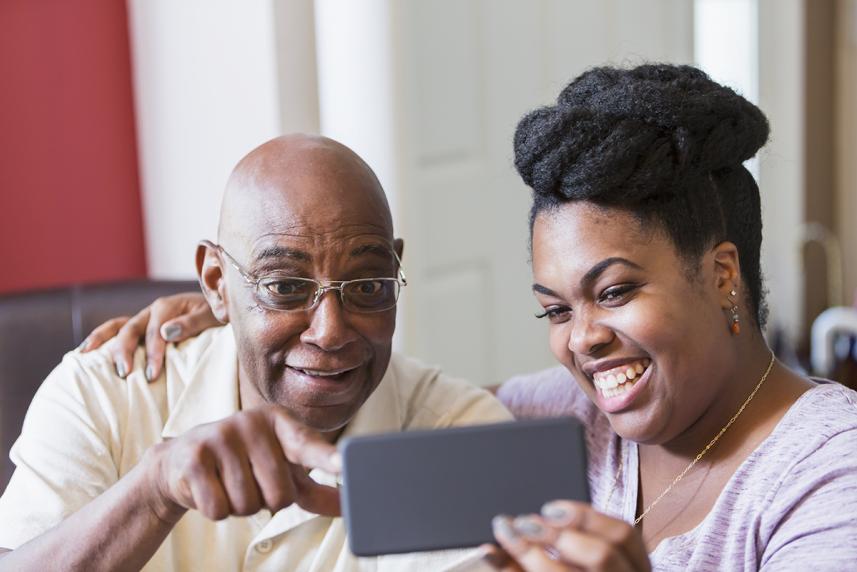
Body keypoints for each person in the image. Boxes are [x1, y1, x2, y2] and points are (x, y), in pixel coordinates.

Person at [96, 65, 857, 571]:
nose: (581, 340)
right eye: (554, 309)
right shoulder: (550, 419)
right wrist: (240, 306)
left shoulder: (828, 471)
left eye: (615, 291)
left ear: (720, 273)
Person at [0, 135, 512, 571]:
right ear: (217, 285)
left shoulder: (460, 439)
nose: (331, 332)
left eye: (367, 286)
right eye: (285, 287)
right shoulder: (103, 393)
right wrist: (155, 491)